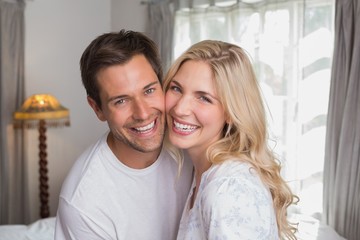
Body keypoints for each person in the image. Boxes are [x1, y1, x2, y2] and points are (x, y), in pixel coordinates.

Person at [54, 30, 193, 240]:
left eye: (149, 91)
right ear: (97, 108)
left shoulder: (190, 142)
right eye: (121, 101)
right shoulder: (84, 203)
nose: (143, 113)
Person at [163, 40, 298, 239]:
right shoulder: (200, 171)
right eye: (176, 88)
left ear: (230, 112)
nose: (180, 108)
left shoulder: (228, 189)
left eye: (204, 98)